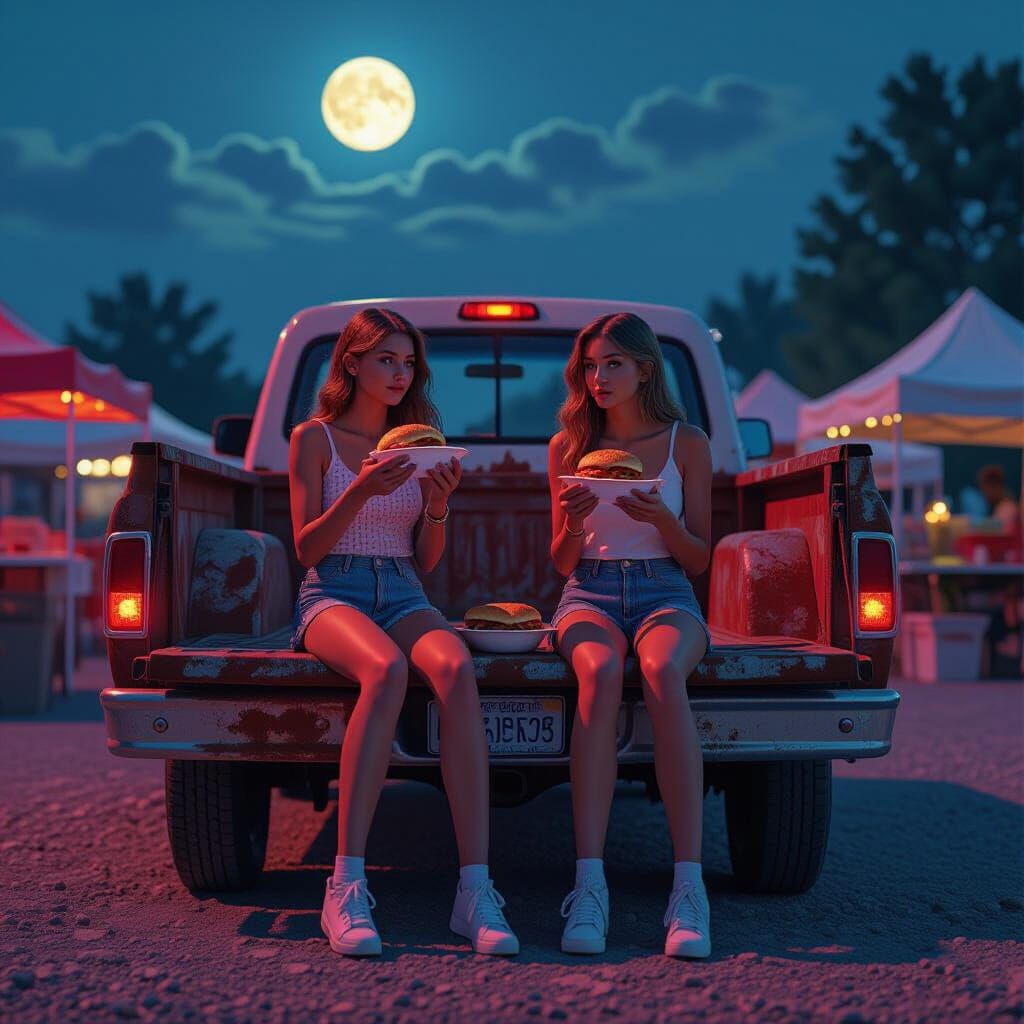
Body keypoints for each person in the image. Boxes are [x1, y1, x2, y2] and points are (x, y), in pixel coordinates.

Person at [289, 307, 518, 957]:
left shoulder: (419, 439)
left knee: (455, 668)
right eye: (386, 358)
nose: (399, 372)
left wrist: (439, 506)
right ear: (351, 363)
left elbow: (426, 559)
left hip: (404, 591)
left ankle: (475, 889)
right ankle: (346, 885)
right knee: (385, 670)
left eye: (408, 361)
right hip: (334, 592)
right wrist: (359, 491)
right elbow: (308, 548)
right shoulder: (316, 439)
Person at [547, 312, 714, 958]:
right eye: (589, 366)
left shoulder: (685, 443)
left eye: (613, 363)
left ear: (645, 369)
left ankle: (688, 888)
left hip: (666, 590)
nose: (598, 378)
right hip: (587, 590)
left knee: (664, 673)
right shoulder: (567, 447)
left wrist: (661, 520)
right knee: (599, 672)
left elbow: (698, 558)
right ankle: (590, 887)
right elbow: (561, 562)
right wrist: (571, 521)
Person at [977, 465, 1022, 533]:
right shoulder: (1001, 506)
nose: (984, 494)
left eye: (985, 489)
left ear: (996, 486)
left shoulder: (1007, 508)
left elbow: (995, 531)